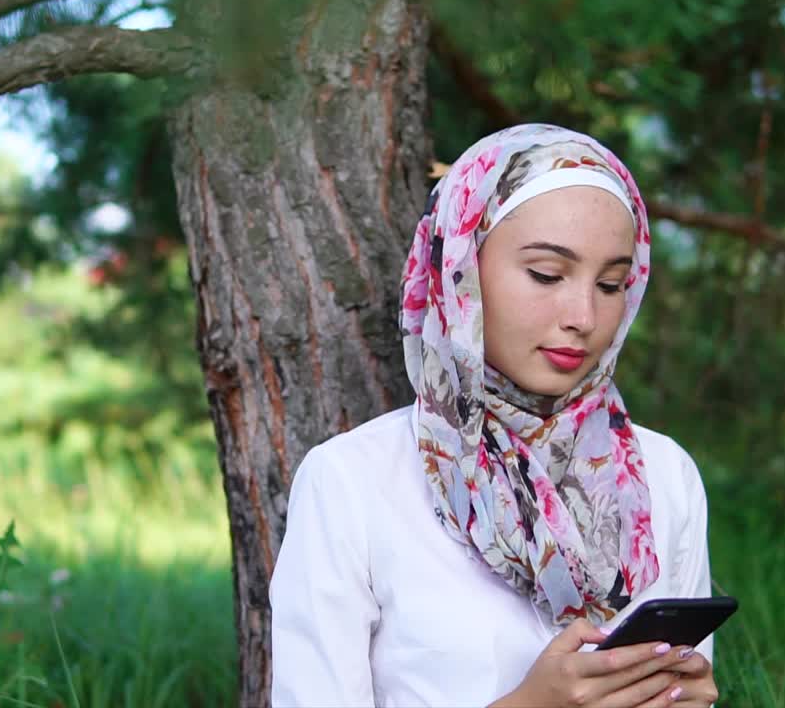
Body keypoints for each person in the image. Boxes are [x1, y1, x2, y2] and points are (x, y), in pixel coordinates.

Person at [270, 124, 719, 708]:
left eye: (611, 284)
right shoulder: (352, 483)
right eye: (546, 274)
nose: (584, 315)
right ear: (459, 269)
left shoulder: (664, 475)